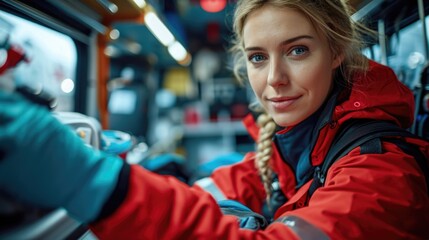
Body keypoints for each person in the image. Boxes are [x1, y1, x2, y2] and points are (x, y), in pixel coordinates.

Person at [0, 0, 428, 239]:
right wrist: (154, 175)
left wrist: (97, 185)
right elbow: (248, 177)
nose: (275, 79)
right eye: (258, 57)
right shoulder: (303, 140)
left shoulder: (380, 174)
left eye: (297, 50)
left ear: (335, 53)